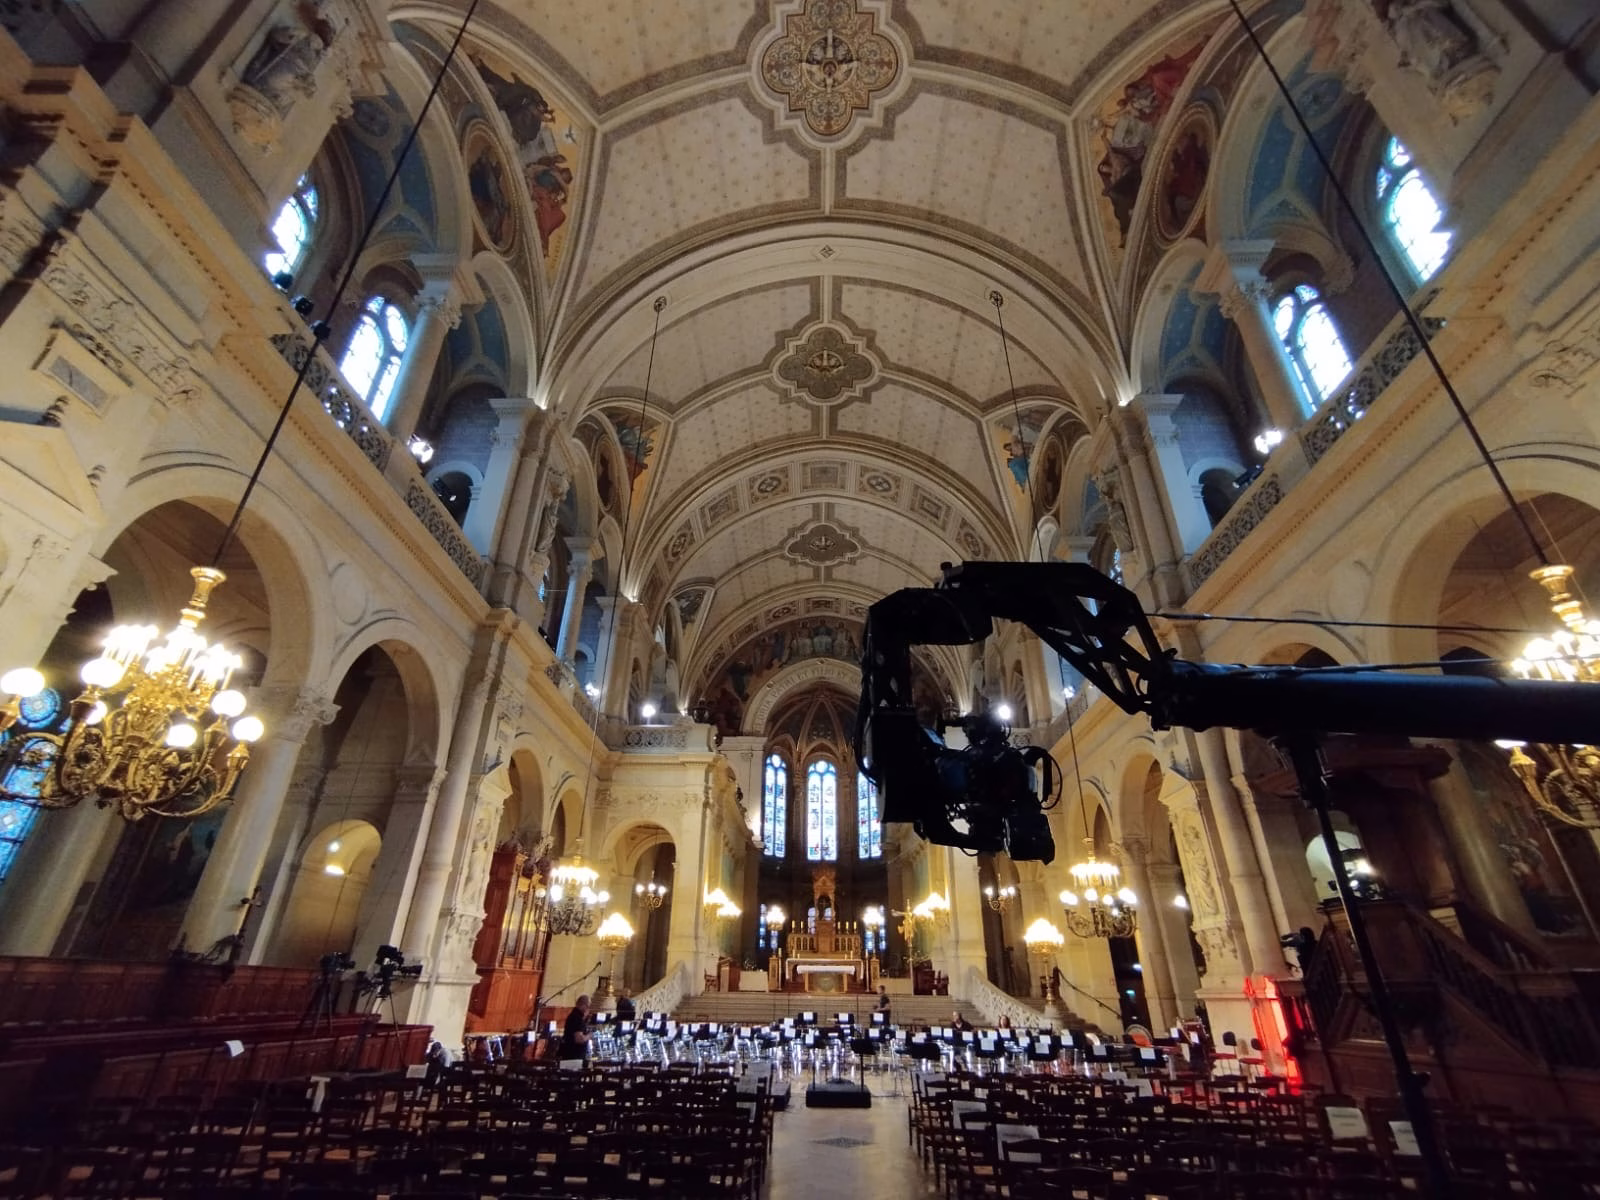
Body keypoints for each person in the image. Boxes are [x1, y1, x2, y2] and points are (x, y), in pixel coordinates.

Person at [558, 994, 592, 1064]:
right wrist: (589, 1035)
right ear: (583, 1005)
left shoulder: (573, 1015)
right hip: (574, 1057)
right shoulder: (577, 1018)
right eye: (588, 1006)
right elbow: (579, 1039)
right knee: (572, 1074)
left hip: (569, 1054)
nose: (588, 1009)